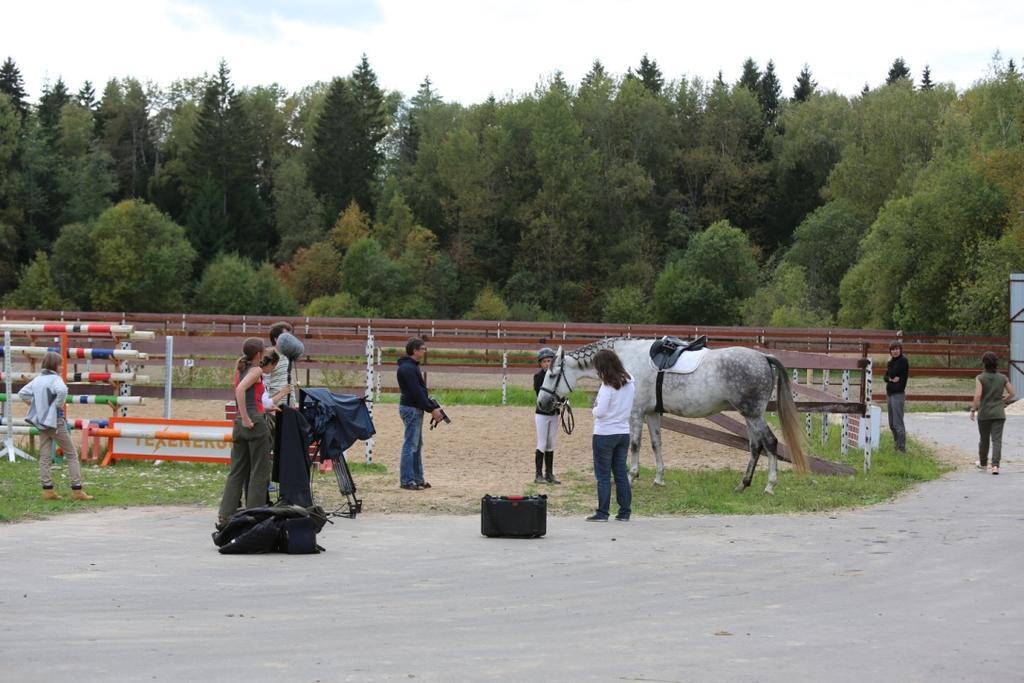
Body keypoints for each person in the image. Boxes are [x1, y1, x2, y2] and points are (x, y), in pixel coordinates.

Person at [19, 351, 94, 501]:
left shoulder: (38, 379)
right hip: (55, 422)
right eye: (60, 364)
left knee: (45, 456)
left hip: (41, 422)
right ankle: (77, 489)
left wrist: (35, 405)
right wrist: (57, 406)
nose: (61, 367)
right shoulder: (56, 379)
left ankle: (48, 490)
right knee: (71, 454)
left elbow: (23, 393)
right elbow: (62, 390)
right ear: (55, 365)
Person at [217, 338, 273, 527]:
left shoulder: (239, 367)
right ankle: (254, 515)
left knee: (237, 470)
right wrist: (248, 417)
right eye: (264, 351)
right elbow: (241, 390)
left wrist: (241, 416)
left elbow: (239, 388)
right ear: (258, 354)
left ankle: (226, 514)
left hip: (239, 425)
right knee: (259, 470)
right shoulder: (256, 370)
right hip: (254, 422)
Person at [586, 349, 635, 522]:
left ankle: (602, 512)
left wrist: (593, 407)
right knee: (621, 472)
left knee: (603, 475)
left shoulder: (607, 387)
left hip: (605, 433)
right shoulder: (630, 380)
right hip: (623, 432)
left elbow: (600, 412)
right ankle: (624, 511)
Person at [396, 337, 444, 491]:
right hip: (412, 409)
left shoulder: (409, 367)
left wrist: (430, 406)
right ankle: (407, 480)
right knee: (411, 444)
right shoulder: (409, 369)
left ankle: (417, 479)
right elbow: (417, 392)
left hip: (413, 407)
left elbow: (419, 392)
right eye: (423, 348)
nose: (425, 351)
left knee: (415, 444)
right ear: (415, 350)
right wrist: (431, 409)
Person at [970, 351, 1015, 475]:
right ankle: (995, 466)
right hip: (999, 413)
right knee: (997, 440)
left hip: (984, 413)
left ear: (984, 363)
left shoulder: (980, 377)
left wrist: (973, 409)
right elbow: (1012, 393)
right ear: (996, 363)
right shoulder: (1003, 378)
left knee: (984, 440)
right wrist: (1003, 400)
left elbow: (978, 395)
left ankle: (983, 464)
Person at [533, 347, 561, 484]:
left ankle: (549, 473)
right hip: (542, 414)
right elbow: (541, 395)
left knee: (551, 443)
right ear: (540, 363)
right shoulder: (538, 377)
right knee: (542, 442)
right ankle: (538, 474)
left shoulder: (557, 377)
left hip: (554, 414)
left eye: (549, 361)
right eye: (544, 361)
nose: (547, 363)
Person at [884, 340, 909, 452]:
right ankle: (896, 444)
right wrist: (890, 378)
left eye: (897, 349)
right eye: (893, 349)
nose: (895, 351)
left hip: (898, 394)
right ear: (890, 351)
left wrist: (890, 375)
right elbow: (885, 377)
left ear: (900, 350)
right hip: (889, 394)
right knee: (891, 423)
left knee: (898, 423)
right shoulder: (891, 362)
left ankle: (901, 448)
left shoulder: (903, 361)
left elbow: (892, 373)